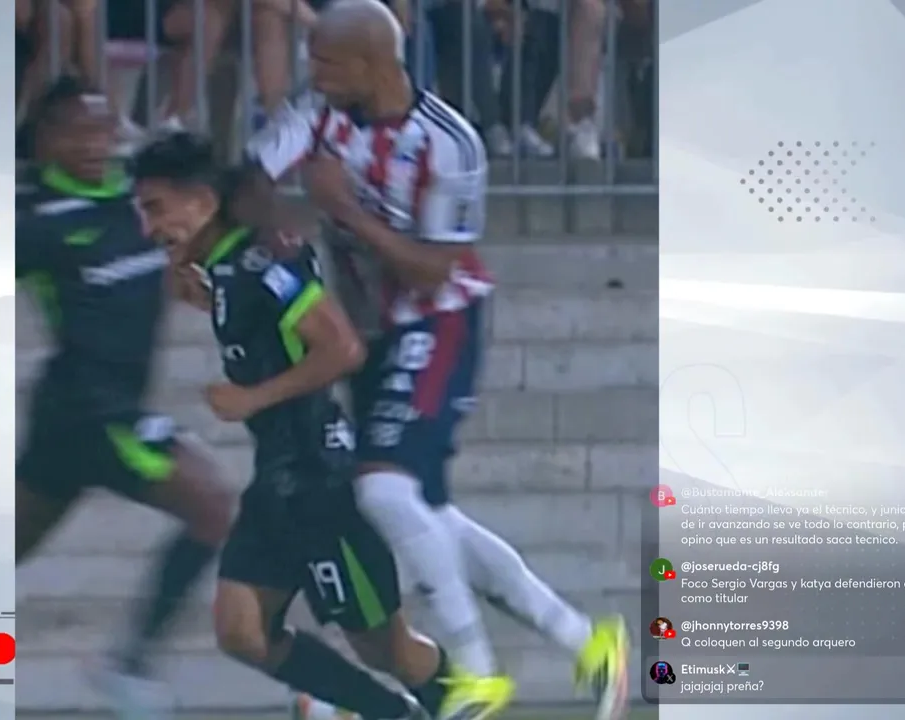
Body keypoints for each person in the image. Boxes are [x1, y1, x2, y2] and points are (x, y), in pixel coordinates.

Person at [242, 2, 628, 718]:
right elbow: (249, 178)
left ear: (373, 64)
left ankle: (476, 676)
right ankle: (584, 639)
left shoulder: (450, 142)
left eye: (327, 64)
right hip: (367, 334)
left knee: (385, 493)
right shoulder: (317, 114)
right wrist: (276, 230)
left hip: (438, 317)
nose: (313, 76)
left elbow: (432, 269)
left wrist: (345, 211)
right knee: (428, 514)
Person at [129, 129, 508, 720]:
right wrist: (193, 281)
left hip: (320, 478)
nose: (148, 226)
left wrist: (252, 398)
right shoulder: (226, 267)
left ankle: (460, 702)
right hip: (277, 478)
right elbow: (259, 324)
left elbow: (342, 347)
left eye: (155, 208)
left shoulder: (261, 264)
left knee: (385, 647)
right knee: (241, 630)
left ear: (201, 200)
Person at [15, 78, 234, 720]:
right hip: (97, 411)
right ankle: (128, 666)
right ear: (47, 140)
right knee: (214, 507)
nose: (94, 143)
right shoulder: (39, 219)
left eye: (103, 128)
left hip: (68, 421)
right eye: (77, 131)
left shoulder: (138, 198)